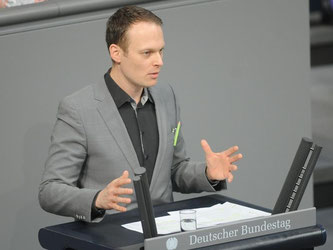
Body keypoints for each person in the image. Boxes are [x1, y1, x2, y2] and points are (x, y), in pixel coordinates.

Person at [39, 5, 242, 223]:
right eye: (147, 53)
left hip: (166, 234)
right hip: (109, 237)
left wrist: (207, 174)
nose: (159, 62)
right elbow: (50, 191)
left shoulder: (167, 96)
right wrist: (97, 199)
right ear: (116, 53)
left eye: (161, 51)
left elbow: (174, 170)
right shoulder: (78, 109)